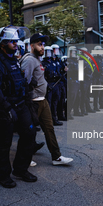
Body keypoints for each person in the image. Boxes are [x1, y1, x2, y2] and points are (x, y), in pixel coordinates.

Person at [0, 26, 37, 188]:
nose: (16, 44)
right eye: (12, 41)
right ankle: (3, 175)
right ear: (3, 43)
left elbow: (20, 83)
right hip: (4, 108)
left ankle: (20, 169)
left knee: (29, 134)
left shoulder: (14, 59)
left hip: (21, 105)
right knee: (3, 143)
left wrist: (28, 104)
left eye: (16, 41)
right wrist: (7, 108)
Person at [20, 33, 73, 166]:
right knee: (29, 131)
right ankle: (25, 158)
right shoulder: (30, 60)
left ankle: (56, 157)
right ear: (32, 46)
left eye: (43, 44)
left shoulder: (37, 59)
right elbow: (23, 82)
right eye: (39, 44)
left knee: (49, 128)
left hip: (42, 100)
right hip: (33, 102)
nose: (42, 47)